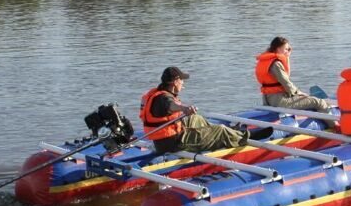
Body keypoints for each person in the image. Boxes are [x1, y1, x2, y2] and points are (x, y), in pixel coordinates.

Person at [140, 67, 274, 154]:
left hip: (165, 140)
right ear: (175, 81)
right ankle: (247, 136)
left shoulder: (158, 93)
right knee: (220, 130)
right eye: (181, 80)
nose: (183, 83)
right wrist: (183, 108)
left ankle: (233, 132)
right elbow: (170, 106)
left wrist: (186, 111)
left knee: (195, 118)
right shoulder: (164, 99)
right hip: (173, 143)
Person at [255, 37, 335, 128]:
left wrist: (287, 57)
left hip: (267, 100)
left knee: (304, 97)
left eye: (289, 49)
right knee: (318, 102)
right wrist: (300, 93)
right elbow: (287, 84)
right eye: (286, 49)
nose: (287, 51)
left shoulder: (265, 61)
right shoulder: (276, 64)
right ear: (278, 48)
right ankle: (335, 126)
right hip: (280, 101)